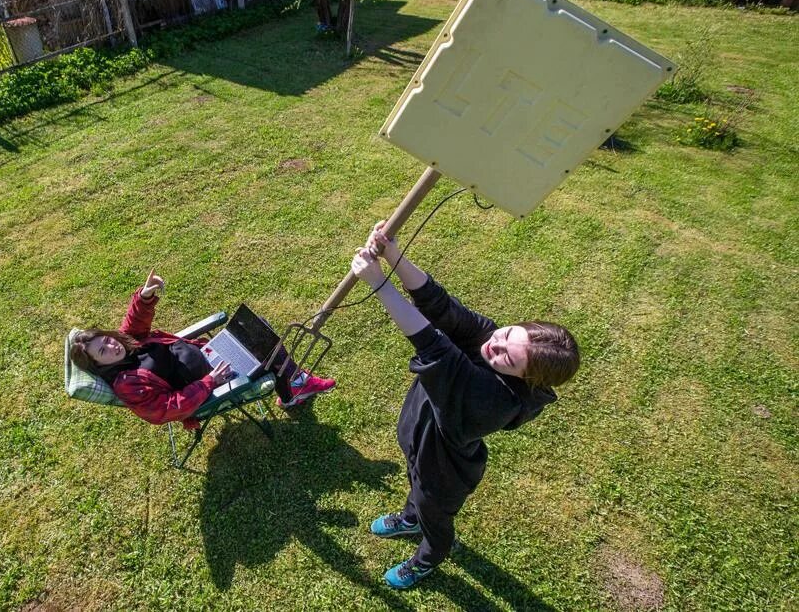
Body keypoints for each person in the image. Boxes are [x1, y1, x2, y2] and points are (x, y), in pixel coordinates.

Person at [350, 222, 580, 590]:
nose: (494, 346)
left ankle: (430, 556)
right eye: (506, 335)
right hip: (419, 441)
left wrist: (379, 283)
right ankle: (410, 518)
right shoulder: (492, 339)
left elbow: (433, 344)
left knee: (434, 516)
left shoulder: (494, 401)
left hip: (444, 472)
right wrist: (394, 254)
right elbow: (444, 309)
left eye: (508, 357)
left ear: (526, 378)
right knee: (414, 486)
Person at [69, 270, 336, 430]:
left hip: (210, 353)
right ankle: (296, 385)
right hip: (213, 384)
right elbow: (167, 409)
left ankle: (293, 387)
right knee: (265, 344)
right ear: (100, 365)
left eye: (106, 340)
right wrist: (210, 382)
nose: (111, 345)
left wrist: (145, 296)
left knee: (259, 333)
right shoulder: (128, 385)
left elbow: (133, 323)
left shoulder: (127, 345)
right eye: (103, 351)